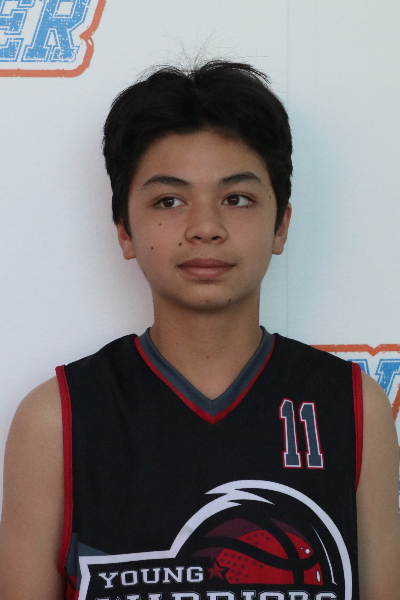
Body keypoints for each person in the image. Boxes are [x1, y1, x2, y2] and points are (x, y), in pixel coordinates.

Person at [0, 60, 399, 600]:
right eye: (169, 200)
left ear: (281, 225)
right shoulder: (56, 420)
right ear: (124, 230)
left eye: (237, 199)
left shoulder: (353, 407)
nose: (205, 227)